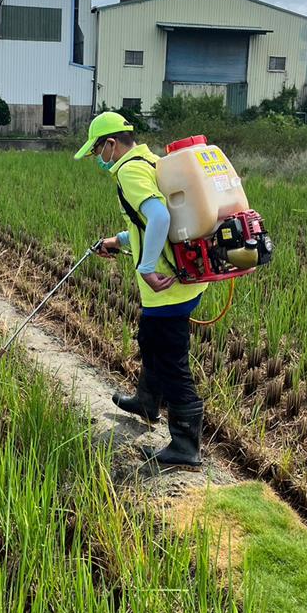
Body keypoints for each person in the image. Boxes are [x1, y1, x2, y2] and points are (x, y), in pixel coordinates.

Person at [74, 111, 208, 469]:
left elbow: (161, 217)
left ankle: (185, 446)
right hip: (181, 282)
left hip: (166, 287)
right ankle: (147, 402)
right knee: (149, 339)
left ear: (111, 144)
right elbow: (149, 224)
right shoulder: (151, 160)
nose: (96, 158)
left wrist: (146, 268)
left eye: (96, 151)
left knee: (170, 359)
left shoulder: (129, 170)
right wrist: (118, 241)